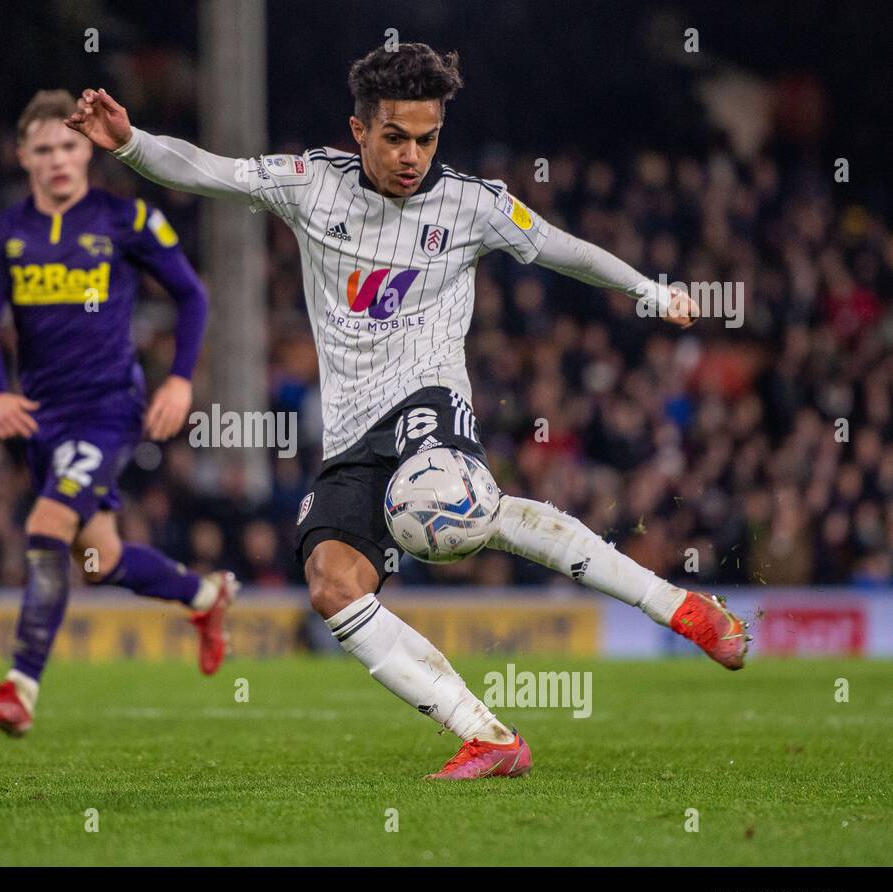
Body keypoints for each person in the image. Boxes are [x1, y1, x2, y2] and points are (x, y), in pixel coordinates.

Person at [64, 44, 750, 779]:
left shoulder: (473, 203)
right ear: (358, 131)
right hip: (352, 431)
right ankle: (488, 735)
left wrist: (651, 291)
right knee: (332, 584)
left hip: (430, 399)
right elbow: (211, 171)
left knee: (443, 513)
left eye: (427, 138)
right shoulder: (310, 183)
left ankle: (675, 610)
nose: (412, 155)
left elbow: (564, 251)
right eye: (395, 137)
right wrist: (130, 144)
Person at [0, 90, 237, 738]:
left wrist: (181, 382)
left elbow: (193, 296)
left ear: (89, 149)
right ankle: (205, 596)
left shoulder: (127, 219)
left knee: (47, 529)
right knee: (99, 561)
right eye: (45, 148)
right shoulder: (4, 233)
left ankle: (20, 689)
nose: (58, 159)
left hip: (108, 410)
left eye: (69, 146)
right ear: (24, 156)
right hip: (41, 419)